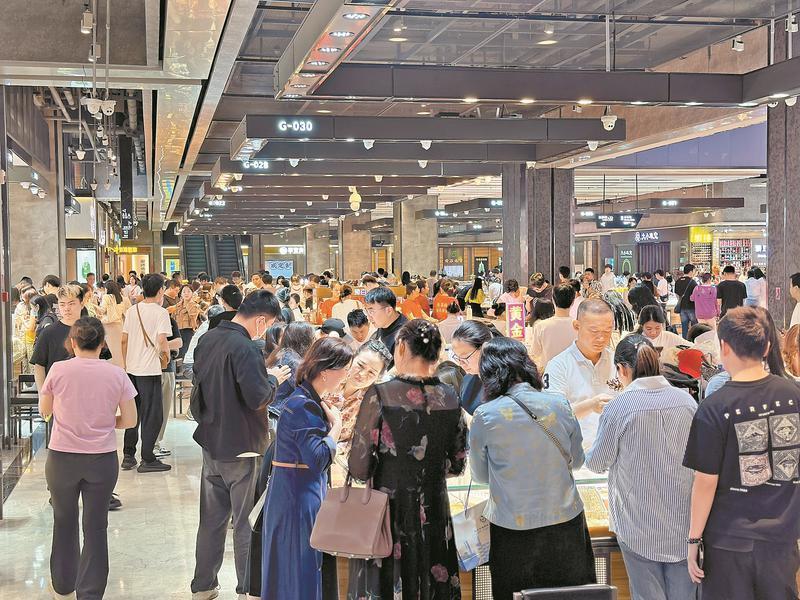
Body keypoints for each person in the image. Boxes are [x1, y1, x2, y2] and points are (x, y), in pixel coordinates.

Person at [683, 307, 800, 599]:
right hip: (783, 540)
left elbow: (705, 482)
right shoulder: (794, 396)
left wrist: (693, 540)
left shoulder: (714, 407)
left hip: (728, 542)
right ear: (769, 346)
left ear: (724, 347)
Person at [348, 320, 467, 600]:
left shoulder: (380, 395)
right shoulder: (450, 397)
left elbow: (359, 466)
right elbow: (458, 463)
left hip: (389, 510)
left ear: (400, 347)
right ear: (437, 355)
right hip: (435, 510)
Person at [470, 337, 594, 599]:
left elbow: (480, 476)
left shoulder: (485, 414)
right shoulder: (559, 404)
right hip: (565, 523)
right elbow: (578, 461)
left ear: (490, 373)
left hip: (511, 530)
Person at [191, 290, 291, 600]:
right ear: (262, 320)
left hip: (211, 442)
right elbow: (257, 396)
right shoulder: (246, 348)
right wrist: (273, 379)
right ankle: (248, 588)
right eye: (269, 324)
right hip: (243, 446)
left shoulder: (209, 338)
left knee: (211, 520)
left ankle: (203, 586)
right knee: (247, 520)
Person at [586, 334, 697, 600]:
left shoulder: (620, 407)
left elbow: (597, 462)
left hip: (638, 526)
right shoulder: (687, 402)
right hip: (684, 523)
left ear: (622, 370)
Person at [39, 317, 138, 600]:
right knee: (95, 526)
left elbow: (45, 411)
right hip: (102, 459)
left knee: (64, 520)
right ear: (103, 344)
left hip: (61, 458)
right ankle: (91, 592)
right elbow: (130, 420)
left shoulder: (58, 370)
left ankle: (62, 587)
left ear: (72, 343)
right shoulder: (117, 374)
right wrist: (106, 422)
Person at [261, 337, 353, 600]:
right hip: (297, 498)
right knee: (299, 570)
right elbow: (318, 457)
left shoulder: (306, 398)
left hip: (295, 492)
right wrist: (336, 427)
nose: (345, 377)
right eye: (344, 370)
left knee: (294, 569)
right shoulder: (303, 404)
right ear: (326, 372)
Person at [544, 299, 616, 449]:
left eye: (607, 330)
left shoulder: (618, 362)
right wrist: (590, 405)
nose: (601, 338)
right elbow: (552, 416)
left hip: (614, 455)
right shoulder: (559, 365)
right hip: (576, 456)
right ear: (577, 326)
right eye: (594, 331)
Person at [120, 274, 172, 473]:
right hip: (150, 371)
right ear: (160, 291)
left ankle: (128, 455)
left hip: (131, 370)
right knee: (152, 415)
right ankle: (148, 458)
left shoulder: (133, 311)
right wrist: (166, 357)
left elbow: (124, 340)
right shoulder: (161, 313)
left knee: (133, 411)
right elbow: (161, 341)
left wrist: (126, 363)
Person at [332, 339, 392, 448]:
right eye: (360, 365)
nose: (362, 374)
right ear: (353, 357)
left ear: (378, 377)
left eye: (371, 373)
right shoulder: (331, 374)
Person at [265, 321, 316, 417]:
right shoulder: (293, 360)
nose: (315, 341)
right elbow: (307, 390)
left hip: (271, 408)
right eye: (313, 338)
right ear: (305, 340)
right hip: (277, 412)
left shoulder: (281, 352)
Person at [451, 320, 501, 415]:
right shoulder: (467, 379)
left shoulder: (503, 382)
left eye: (465, 357)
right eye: (457, 357)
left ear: (484, 348)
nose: (461, 363)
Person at [531, 282, 577, 372]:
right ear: (573, 301)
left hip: (549, 375)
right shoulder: (580, 327)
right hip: (573, 375)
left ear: (553, 299)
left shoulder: (541, 326)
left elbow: (535, 352)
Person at [156, 315, 182, 457]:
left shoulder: (168, 319)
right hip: (156, 369)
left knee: (162, 408)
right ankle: (153, 444)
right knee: (159, 408)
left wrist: (160, 345)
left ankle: (155, 443)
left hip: (164, 367)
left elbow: (179, 342)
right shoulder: (165, 318)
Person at [364, 286, 408, 363]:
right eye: (367, 311)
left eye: (371, 312)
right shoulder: (384, 324)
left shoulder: (405, 336)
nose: (368, 317)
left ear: (389, 311)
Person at [95, 280, 130, 369]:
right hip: (119, 325)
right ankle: (122, 368)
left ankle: (115, 369)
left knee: (113, 350)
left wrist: (94, 305)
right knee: (120, 350)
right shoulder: (122, 298)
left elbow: (102, 310)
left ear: (108, 289)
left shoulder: (107, 297)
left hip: (109, 326)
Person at [173, 284, 201, 357]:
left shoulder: (194, 305)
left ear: (192, 293)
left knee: (185, 354)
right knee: (177, 355)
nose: (186, 294)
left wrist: (189, 303)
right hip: (178, 332)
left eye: (189, 291)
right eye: (184, 292)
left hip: (188, 332)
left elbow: (193, 318)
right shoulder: (178, 306)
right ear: (181, 294)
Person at [674, 264, 698, 340]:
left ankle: (685, 343)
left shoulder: (678, 281)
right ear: (691, 271)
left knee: (684, 327)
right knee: (694, 327)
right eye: (694, 271)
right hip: (692, 307)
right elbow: (696, 296)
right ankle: (693, 342)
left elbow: (677, 295)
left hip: (682, 308)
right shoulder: (693, 282)